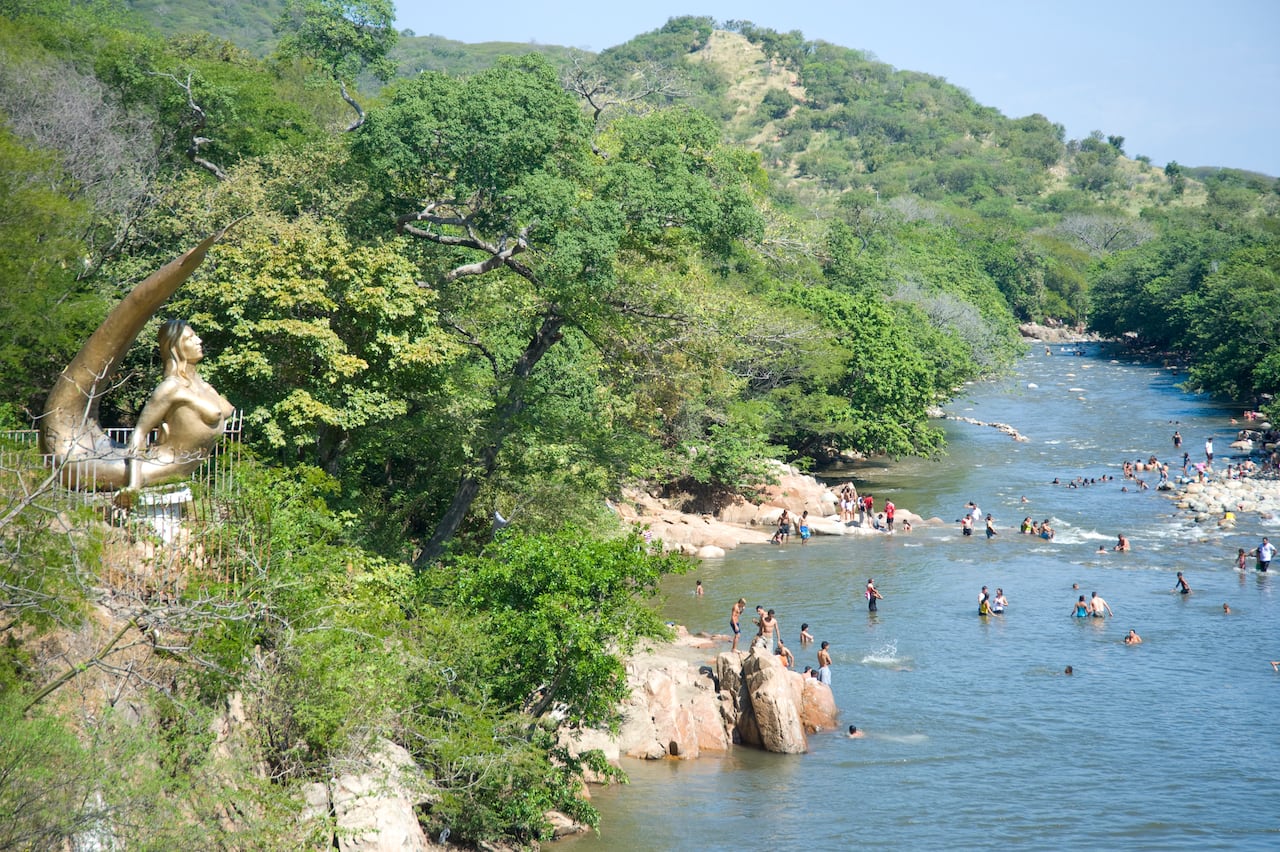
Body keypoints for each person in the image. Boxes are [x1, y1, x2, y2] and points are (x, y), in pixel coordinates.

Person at [125, 320, 237, 489]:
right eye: (190, 338)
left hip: (180, 471)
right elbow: (139, 433)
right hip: (155, 469)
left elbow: (227, 409)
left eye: (196, 336)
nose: (199, 340)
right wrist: (133, 486)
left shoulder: (201, 385)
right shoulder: (171, 387)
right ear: (175, 347)